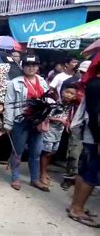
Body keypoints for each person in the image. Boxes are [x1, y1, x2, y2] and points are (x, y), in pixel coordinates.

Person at [4, 55, 50, 192]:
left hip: (38, 121)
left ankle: (35, 179)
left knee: (36, 152)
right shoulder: (14, 83)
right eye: (28, 65)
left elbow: (48, 99)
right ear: (23, 66)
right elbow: (9, 104)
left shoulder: (42, 81)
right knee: (17, 151)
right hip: (21, 121)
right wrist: (7, 123)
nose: (31, 68)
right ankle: (15, 177)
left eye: (34, 65)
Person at [67, 53, 100, 228]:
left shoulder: (93, 82)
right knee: (91, 173)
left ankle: (75, 205)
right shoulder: (97, 85)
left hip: (91, 134)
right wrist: (98, 139)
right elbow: (95, 115)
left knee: (84, 170)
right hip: (94, 135)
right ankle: (77, 209)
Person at [61, 60, 91, 189]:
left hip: (91, 125)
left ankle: (85, 181)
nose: (83, 74)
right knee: (73, 153)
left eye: (86, 72)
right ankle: (69, 177)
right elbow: (65, 104)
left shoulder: (94, 86)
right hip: (77, 124)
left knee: (88, 156)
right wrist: (68, 120)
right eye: (82, 72)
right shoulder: (74, 85)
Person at [40, 83, 77, 186]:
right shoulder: (54, 102)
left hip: (59, 132)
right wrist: (59, 120)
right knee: (46, 152)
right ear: (62, 92)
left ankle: (44, 171)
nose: (68, 95)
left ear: (75, 96)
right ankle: (42, 174)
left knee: (51, 152)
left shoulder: (71, 106)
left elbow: (67, 117)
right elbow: (46, 116)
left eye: (71, 93)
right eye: (67, 92)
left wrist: (67, 123)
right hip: (49, 130)